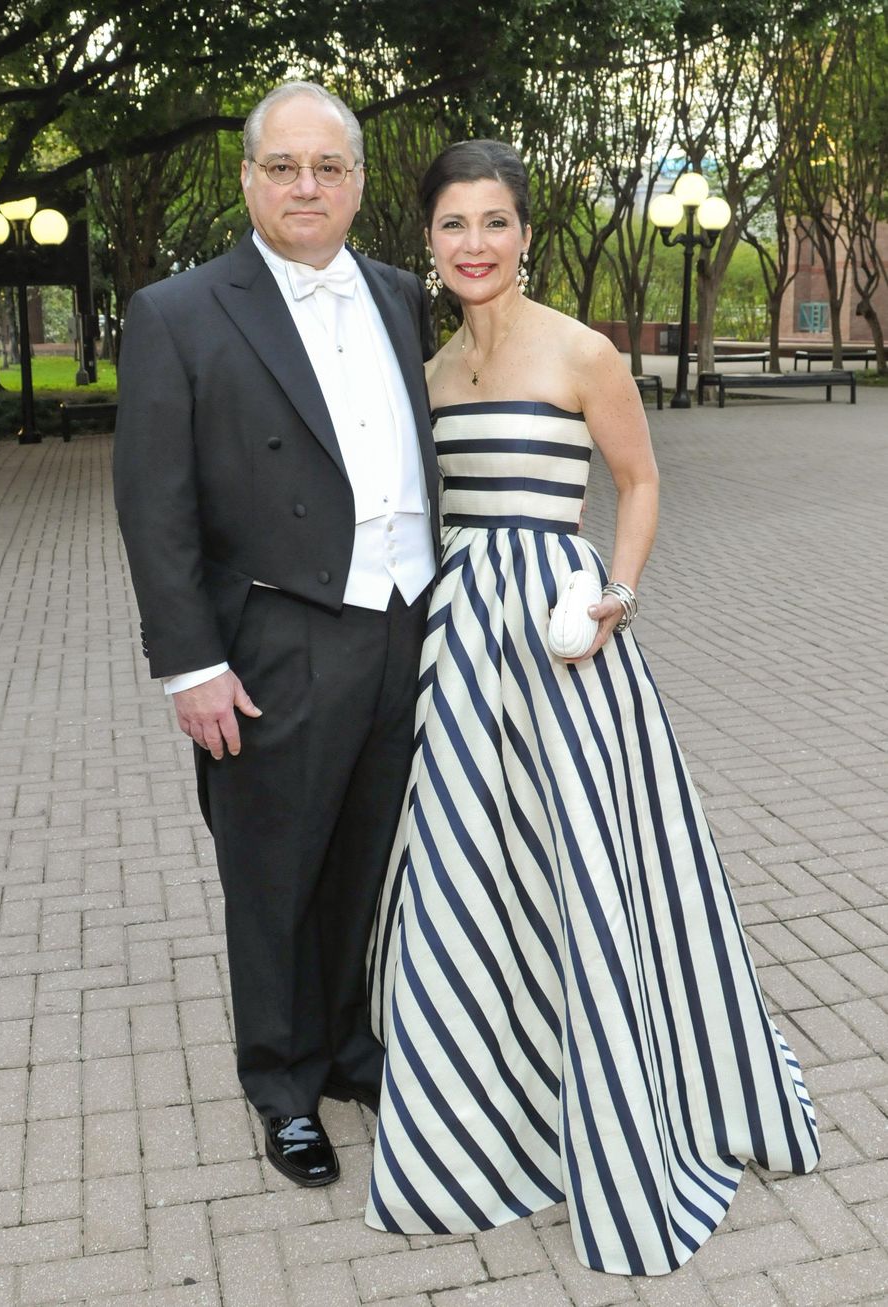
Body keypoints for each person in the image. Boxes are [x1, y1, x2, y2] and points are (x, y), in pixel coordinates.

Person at [364, 140, 820, 1274]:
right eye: (453, 224)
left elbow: (639, 479)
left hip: (561, 644)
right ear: (428, 239)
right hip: (458, 642)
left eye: (494, 223)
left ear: (525, 233)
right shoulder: (423, 373)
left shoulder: (581, 350)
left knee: (579, 860)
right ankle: (483, 1092)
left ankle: (615, 1082)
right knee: (466, 864)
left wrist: (617, 589)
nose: (474, 244)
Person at [113, 81, 439, 1188]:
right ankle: (282, 1082)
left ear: (356, 182)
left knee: (359, 862)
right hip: (274, 643)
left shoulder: (399, 293)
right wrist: (190, 664)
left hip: (399, 626)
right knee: (270, 875)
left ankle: (347, 1047)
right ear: (248, 178)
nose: (307, 185)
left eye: (329, 167)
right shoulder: (178, 312)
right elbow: (152, 507)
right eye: (283, 166)